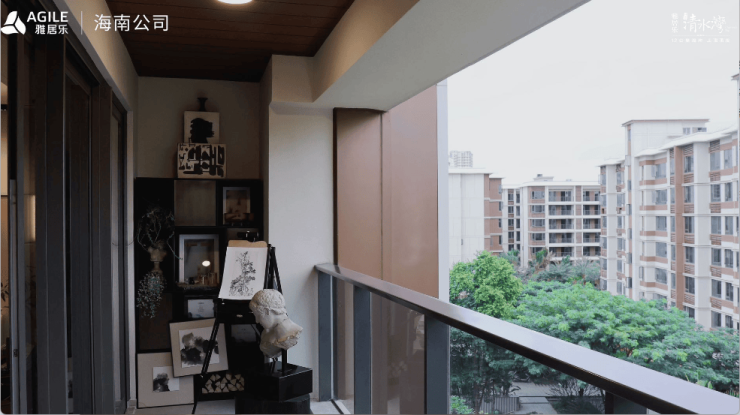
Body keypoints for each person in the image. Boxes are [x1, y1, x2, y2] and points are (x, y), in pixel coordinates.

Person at [248, 289, 302, 359]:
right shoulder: (266, 333)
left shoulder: (292, 333)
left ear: (267, 311)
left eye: (258, 316)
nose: (257, 321)